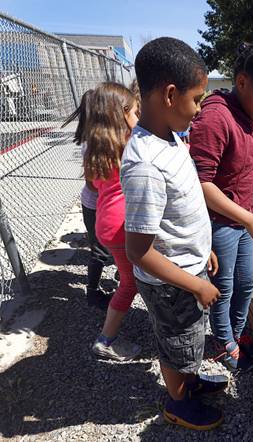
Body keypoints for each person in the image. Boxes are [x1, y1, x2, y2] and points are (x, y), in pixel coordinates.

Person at [122, 37, 227, 431]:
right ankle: (177, 402)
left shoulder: (171, 138)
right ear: (169, 94)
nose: (200, 110)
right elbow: (138, 252)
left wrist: (204, 250)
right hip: (171, 283)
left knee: (188, 340)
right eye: (197, 99)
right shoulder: (146, 164)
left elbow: (183, 205)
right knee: (177, 343)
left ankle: (189, 380)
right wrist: (195, 284)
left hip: (186, 268)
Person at [190, 39, 253, 372]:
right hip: (221, 222)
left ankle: (238, 333)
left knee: (246, 283)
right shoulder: (216, 117)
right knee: (224, 286)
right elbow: (202, 184)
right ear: (242, 82)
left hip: (245, 219)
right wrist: (248, 219)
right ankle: (222, 339)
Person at [69, 83, 141, 361]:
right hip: (121, 227)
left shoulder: (99, 146)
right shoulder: (128, 144)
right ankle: (106, 340)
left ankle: (108, 336)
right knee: (131, 282)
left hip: (106, 222)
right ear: (122, 115)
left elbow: (98, 188)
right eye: (134, 112)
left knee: (132, 278)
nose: (137, 118)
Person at [62, 90, 114, 310]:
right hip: (95, 204)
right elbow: (93, 183)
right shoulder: (92, 141)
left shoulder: (101, 136)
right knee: (100, 251)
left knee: (109, 247)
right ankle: (92, 292)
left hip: (101, 202)